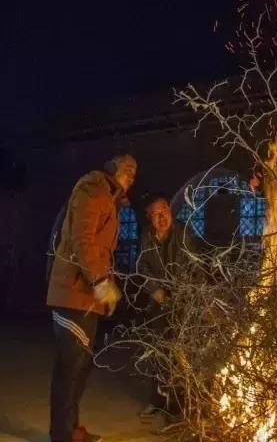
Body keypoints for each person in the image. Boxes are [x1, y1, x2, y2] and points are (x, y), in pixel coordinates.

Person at [47, 154, 137, 442]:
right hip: (73, 293)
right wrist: (99, 281)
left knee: (80, 367)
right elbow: (81, 239)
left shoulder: (108, 199)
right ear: (111, 169)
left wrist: (104, 288)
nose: (131, 175)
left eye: (135, 173)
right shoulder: (93, 189)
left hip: (85, 297)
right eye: (127, 169)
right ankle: (62, 434)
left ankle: (69, 429)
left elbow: (101, 251)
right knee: (70, 367)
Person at [135, 195, 198, 428]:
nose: (161, 218)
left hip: (183, 302)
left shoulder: (183, 234)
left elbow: (192, 266)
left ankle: (177, 407)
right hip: (158, 304)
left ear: (170, 211)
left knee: (179, 355)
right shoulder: (147, 237)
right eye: (155, 214)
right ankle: (158, 400)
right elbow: (141, 265)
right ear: (149, 217)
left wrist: (178, 296)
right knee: (158, 351)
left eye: (164, 212)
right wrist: (155, 289)